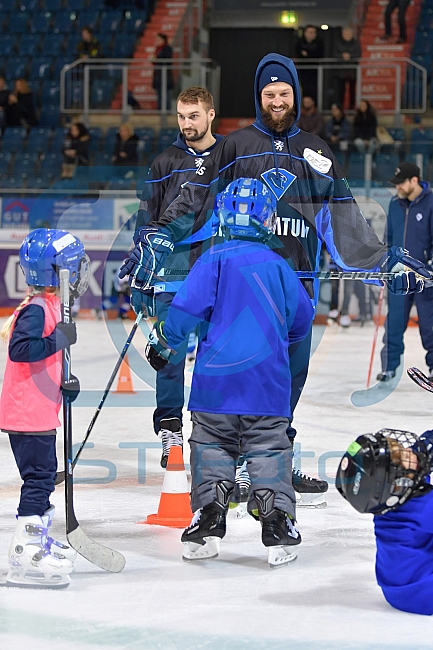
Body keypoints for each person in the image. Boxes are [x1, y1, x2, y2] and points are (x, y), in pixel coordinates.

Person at [120, 53, 431, 508]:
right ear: (259, 99)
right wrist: (158, 237)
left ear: (296, 98)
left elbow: (344, 224)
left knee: (292, 377)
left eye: (284, 93)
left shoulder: (317, 151)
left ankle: (272, 461)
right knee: (239, 376)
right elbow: (196, 200)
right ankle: (237, 469)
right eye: (269, 95)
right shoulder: (236, 145)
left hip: (297, 290)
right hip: (241, 290)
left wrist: (384, 264)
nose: (277, 100)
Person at [146, 178, 314, 566]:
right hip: (266, 388)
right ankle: (276, 524)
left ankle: (208, 516)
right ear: (267, 219)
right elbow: (302, 323)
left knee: (210, 446)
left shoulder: (211, 260)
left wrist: (163, 345)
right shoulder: (279, 266)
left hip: (214, 388)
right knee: (269, 448)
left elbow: (184, 312)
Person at [131, 86, 223, 467]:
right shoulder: (164, 161)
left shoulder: (230, 156)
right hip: (172, 278)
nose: (187, 124)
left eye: (194, 116)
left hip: (217, 273)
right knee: (168, 356)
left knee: (216, 356)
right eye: (182, 117)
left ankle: (212, 432)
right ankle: (171, 431)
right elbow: (147, 220)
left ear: (210, 115)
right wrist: (141, 263)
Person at [0, 228, 90, 589]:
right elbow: (21, 351)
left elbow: (45, 365)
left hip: (37, 409)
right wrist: (58, 340)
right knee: (38, 479)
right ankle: (25, 550)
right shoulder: (37, 310)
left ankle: (37, 539)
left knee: (43, 475)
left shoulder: (49, 304)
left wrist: (62, 387)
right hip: (27, 414)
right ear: (61, 272)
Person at [336, 427, 433, 615]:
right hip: (426, 594)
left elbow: (418, 465)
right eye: (405, 455)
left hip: (400, 592)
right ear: (397, 480)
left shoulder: (391, 505)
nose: (410, 452)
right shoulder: (423, 508)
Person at [377, 162, 433, 382]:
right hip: (400, 276)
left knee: (429, 325)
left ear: (414, 181)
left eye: (401, 183)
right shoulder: (394, 204)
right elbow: (389, 238)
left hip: (425, 277)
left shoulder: (431, 203)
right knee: (394, 324)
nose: (398, 187)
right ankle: (389, 368)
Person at [333, 27, 361, 110]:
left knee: (352, 91)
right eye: (345, 34)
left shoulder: (356, 43)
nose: (347, 35)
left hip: (352, 71)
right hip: (340, 71)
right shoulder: (338, 43)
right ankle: (340, 108)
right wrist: (342, 56)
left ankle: (351, 108)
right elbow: (334, 54)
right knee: (340, 91)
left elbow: (358, 54)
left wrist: (350, 56)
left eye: (349, 34)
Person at [294, 25, 324, 101]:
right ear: (305, 33)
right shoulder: (299, 42)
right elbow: (298, 54)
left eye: (314, 32)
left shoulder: (319, 42)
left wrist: (308, 54)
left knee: (315, 88)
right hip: (303, 70)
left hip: (315, 70)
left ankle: (315, 106)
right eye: (310, 32)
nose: (312, 34)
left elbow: (319, 54)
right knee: (303, 88)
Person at [152, 33, 173, 111]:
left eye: (158, 39)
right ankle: (160, 110)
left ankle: (166, 111)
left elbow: (166, 60)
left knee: (166, 94)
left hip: (165, 75)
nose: (157, 41)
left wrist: (157, 59)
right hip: (158, 75)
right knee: (159, 94)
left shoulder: (167, 49)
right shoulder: (157, 49)